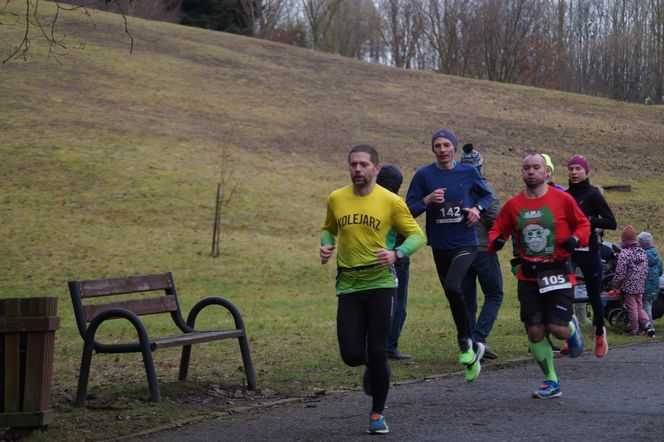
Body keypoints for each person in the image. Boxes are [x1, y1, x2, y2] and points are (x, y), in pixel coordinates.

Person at [319, 144, 425, 434]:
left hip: (381, 283)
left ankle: (377, 414)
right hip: (349, 284)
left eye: (364, 164)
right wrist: (325, 244)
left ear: (376, 168)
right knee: (352, 354)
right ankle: (372, 365)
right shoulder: (336, 198)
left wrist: (397, 254)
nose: (357, 169)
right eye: (353, 164)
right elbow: (328, 227)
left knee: (378, 351)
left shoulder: (390, 201)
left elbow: (417, 236)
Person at [488, 153, 591, 399]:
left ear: (547, 173)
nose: (530, 172)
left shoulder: (563, 199)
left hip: (558, 271)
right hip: (529, 276)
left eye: (536, 168)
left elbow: (584, 225)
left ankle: (571, 329)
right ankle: (551, 380)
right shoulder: (514, 205)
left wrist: (576, 239)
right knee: (534, 330)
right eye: (526, 168)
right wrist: (496, 241)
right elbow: (496, 230)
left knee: (556, 328)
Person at [406, 128, 494, 382]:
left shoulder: (468, 172)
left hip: (466, 241)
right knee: (452, 294)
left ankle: (465, 339)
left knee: (455, 287)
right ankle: (469, 349)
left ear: (454, 148)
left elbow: (486, 195)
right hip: (440, 244)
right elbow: (408, 210)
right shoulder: (424, 175)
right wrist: (428, 200)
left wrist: (477, 209)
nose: (443, 149)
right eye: (438, 146)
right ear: (433, 149)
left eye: (446, 145)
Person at [564, 155, 617, 357]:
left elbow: (611, 223)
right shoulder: (566, 195)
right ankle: (572, 336)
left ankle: (599, 334)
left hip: (590, 250)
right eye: (571, 169)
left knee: (594, 295)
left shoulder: (593, 195)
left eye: (578, 168)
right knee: (565, 293)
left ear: (586, 172)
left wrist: (589, 220)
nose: (574, 172)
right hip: (570, 250)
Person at [459, 143, 503, 359]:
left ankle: (468, 344)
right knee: (494, 294)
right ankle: (478, 340)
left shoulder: (454, 187)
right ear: (481, 166)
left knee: (467, 300)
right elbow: (496, 218)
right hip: (483, 250)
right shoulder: (485, 188)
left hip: (459, 251)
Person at [376, 164, 412, 360]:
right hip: (398, 261)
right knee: (398, 306)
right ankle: (389, 347)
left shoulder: (369, 201)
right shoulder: (396, 204)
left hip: (372, 259)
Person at [612, 226, 654, 336]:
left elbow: (620, 273)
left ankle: (634, 330)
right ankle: (648, 326)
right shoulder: (642, 252)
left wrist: (615, 284)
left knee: (632, 307)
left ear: (623, 239)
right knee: (639, 306)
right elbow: (646, 269)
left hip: (628, 286)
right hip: (640, 284)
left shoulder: (624, 254)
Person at [637, 231, 662, 321]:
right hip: (654, 284)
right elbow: (660, 271)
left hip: (645, 285)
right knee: (649, 305)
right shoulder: (656, 254)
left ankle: (648, 326)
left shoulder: (642, 255)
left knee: (645, 306)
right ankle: (647, 325)